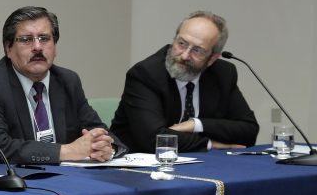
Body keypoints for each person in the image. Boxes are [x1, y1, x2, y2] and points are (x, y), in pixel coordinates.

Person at [0, 6, 125, 165]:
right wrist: (67, 151)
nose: (37, 47)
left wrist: (106, 147)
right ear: (8, 48)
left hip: (66, 179)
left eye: (44, 38)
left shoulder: (68, 81)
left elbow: (100, 131)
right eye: (26, 39)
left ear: (55, 46)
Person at [110, 10, 259, 153]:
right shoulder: (146, 74)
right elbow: (154, 139)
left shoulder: (223, 74)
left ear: (212, 58)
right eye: (181, 43)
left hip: (200, 165)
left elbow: (249, 131)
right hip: (139, 167)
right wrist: (210, 144)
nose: (185, 55)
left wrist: (196, 124)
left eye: (197, 50)